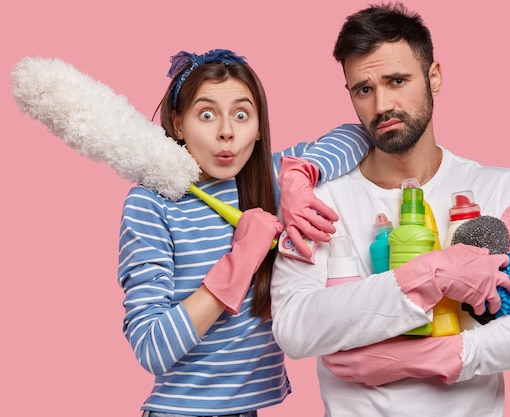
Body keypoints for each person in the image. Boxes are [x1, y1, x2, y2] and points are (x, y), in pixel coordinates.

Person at [270, 3, 510, 416]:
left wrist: (446, 356)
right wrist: (428, 276)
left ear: (434, 77)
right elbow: (294, 327)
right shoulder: (321, 202)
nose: (382, 104)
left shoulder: (499, 189)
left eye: (397, 80)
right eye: (364, 89)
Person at [117, 49, 371, 417]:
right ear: (177, 122)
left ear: (258, 127)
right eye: (207, 115)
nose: (226, 131)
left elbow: (357, 135)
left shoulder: (269, 179)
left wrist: (299, 177)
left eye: (241, 114)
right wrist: (239, 263)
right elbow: (152, 347)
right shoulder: (152, 202)